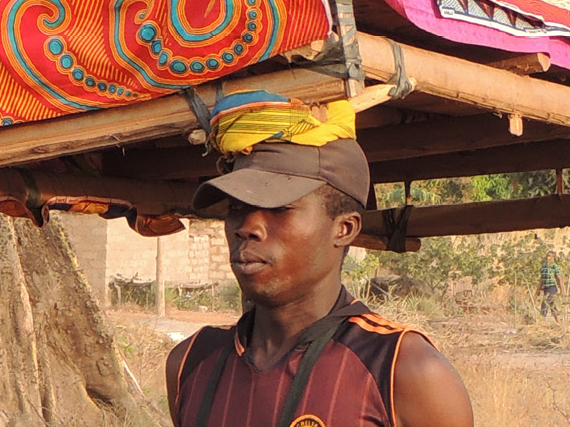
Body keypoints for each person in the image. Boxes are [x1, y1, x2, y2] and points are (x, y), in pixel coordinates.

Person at [166, 98, 473, 427]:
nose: (248, 227)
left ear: (344, 228)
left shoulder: (404, 370)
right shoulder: (192, 361)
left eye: (279, 207)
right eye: (237, 208)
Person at [538, 251, 562, 319]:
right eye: (547, 255)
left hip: (552, 287)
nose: (547, 257)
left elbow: (559, 279)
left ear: (553, 257)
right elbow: (541, 279)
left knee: (545, 302)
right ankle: (558, 321)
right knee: (551, 304)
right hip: (546, 287)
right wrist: (538, 290)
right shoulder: (544, 266)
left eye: (549, 256)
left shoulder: (555, 267)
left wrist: (562, 290)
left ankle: (542, 320)